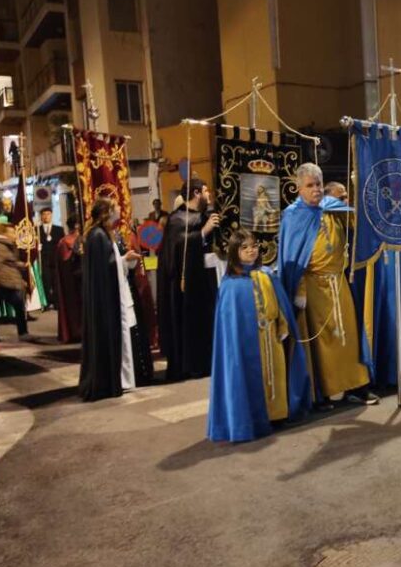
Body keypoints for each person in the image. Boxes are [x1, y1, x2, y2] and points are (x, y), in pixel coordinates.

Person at [278, 163, 378, 410]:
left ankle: (356, 386)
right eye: (310, 185)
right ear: (299, 188)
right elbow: (292, 258)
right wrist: (300, 288)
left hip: (338, 282)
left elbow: (359, 220)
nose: (316, 189)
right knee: (322, 343)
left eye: (319, 184)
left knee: (349, 336)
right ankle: (321, 393)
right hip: (313, 286)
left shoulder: (331, 207)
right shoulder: (293, 215)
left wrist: (359, 186)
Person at [208, 229, 311, 442]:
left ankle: (278, 414)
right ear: (235, 252)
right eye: (244, 247)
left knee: (277, 375)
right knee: (255, 379)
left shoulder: (267, 274)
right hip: (249, 343)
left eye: (254, 246)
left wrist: (283, 325)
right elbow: (231, 324)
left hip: (272, 337)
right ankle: (254, 418)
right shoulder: (230, 285)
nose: (251, 251)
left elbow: (279, 304)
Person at [78, 197, 146, 401]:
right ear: (106, 212)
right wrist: (122, 261)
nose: (119, 209)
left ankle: (119, 379)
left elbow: (110, 264)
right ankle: (107, 382)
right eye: (115, 207)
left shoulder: (105, 233)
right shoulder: (97, 236)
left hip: (112, 294)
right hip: (106, 299)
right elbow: (104, 269)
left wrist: (124, 260)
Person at [157, 178, 220, 381]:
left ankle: (208, 362)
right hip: (185, 286)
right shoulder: (177, 219)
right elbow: (178, 248)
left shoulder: (202, 215)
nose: (209, 194)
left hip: (205, 280)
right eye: (206, 191)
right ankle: (191, 365)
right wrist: (203, 232)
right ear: (196, 193)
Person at [0, 222, 29, 340]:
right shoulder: (1, 246)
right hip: (2, 283)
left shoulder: (7, 245)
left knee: (18, 306)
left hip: (6, 282)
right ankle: (21, 333)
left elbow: (9, 261)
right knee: (16, 307)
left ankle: (22, 332)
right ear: (4, 234)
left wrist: (19, 265)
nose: (14, 234)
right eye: (12, 232)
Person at [56, 214, 83, 343]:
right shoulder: (66, 242)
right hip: (73, 281)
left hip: (76, 279)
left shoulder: (64, 241)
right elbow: (65, 261)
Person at [37, 207, 64, 309]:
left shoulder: (59, 229)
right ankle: (47, 301)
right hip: (44, 259)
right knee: (46, 280)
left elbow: (62, 244)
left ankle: (57, 302)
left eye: (48, 214)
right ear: (41, 216)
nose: (46, 216)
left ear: (51, 215)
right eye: (44, 214)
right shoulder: (37, 230)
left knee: (56, 280)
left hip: (55, 259)